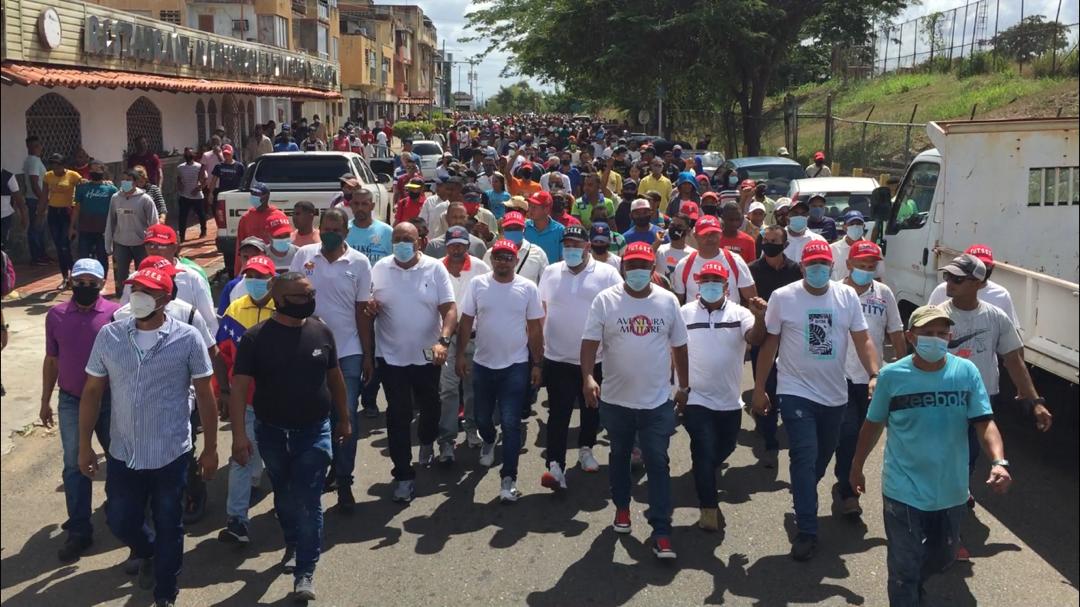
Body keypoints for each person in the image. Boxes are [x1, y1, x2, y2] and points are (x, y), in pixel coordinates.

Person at [849, 305, 1012, 607]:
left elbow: (984, 421)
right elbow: (872, 425)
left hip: (950, 491)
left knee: (943, 557)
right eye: (928, 334)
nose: (936, 339)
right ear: (911, 337)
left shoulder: (965, 372)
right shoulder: (892, 376)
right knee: (903, 568)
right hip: (903, 491)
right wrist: (856, 466)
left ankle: (914, 586)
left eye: (942, 334)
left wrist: (999, 462)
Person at [79, 267, 217, 607]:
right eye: (135, 288)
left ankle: (165, 592)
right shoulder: (109, 337)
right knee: (120, 519)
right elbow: (93, 391)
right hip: (124, 452)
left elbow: (204, 394)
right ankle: (147, 550)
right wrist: (84, 446)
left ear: (165, 298)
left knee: (170, 523)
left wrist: (211, 448)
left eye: (147, 290)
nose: (138, 294)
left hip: (171, 452)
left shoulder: (187, 338)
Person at [751, 240, 881, 561]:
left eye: (824, 265)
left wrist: (876, 373)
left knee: (819, 459)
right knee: (804, 455)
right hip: (795, 391)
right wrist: (758, 388)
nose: (819, 270)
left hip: (834, 394)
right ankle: (807, 529)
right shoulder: (784, 298)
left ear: (832, 267)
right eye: (812, 265)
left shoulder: (846, 296)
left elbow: (862, 338)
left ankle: (804, 488)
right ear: (804, 267)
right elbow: (769, 346)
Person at [230, 272, 351, 602]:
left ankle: (305, 571)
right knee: (283, 493)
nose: (309, 301)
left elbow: (336, 378)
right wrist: (238, 436)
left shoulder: (321, 331)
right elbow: (239, 388)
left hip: (314, 431)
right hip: (271, 433)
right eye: (301, 296)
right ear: (279, 300)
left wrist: (344, 419)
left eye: (311, 294)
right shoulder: (255, 339)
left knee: (310, 500)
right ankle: (293, 542)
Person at [582, 241, 689, 559]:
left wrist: (684, 387)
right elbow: (589, 342)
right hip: (616, 401)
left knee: (658, 462)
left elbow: (680, 346)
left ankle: (661, 530)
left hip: (656, 402)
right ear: (623, 268)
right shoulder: (605, 300)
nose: (638, 271)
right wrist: (587, 377)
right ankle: (622, 508)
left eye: (644, 265)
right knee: (619, 457)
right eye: (632, 265)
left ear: (653, 269)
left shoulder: (668, 301)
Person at [936, 254, 1052, 514]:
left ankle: (956, 494)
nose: (949, 283)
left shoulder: (996, 317)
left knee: (969, 455)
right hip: (943, 398)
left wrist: (1035, 401)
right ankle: (948, 509)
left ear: (978, 283)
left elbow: (1013, 360)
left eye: (957, 278)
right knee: (947, 455)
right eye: (947, 277)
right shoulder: (936, 317)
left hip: (981, 398)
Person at [289, 207, 375, 510]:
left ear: (346, 233)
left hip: (347, 351)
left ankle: (344, 480)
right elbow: (291, 298)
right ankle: (317, 474)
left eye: (335, 230)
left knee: (346, 415)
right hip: (307, 351)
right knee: (313, 416)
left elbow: (362, 311)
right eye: (325, 227)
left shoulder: (360, 263)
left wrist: (367, 354)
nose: (329, 234)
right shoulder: (304, 256)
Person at [368, 222, 457, 502]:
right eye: (397, 239)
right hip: (391, 357)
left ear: (420, 242)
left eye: (407, 239)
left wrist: (443, 341)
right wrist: (370, 308)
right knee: (398, 414)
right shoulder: (380, 268)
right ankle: (403, 475)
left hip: (427, 357)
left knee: (431, 408)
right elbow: (368, 305)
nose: (402, 244)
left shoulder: (434, 268)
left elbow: (449, 309)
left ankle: (427, 439)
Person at [40, 258, 120, 562]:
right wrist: (46, 399)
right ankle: (79, 530)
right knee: (75, 464)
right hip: (72, 400)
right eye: (80, 281)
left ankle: (121, 513)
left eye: (92, 283)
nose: (85, 287)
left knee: (119, 457)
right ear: (71, 280)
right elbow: (52, 360)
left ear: (102, 284)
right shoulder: (56, 315)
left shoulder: (115, 314)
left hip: (110, 399)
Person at [456, 239, 545, 503]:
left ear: (516, 260)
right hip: (483, 364)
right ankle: (489, 439)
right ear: (492, 258)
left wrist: (537, 363)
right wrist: (460, 354)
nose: (503, 261)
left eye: (508, 257)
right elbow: (466, 321)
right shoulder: (478, 284)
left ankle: (509, 478)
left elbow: (536, 330)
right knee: (482, 417)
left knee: (511, 422)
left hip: (515, 366)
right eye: (498, 256)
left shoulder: (528, 288)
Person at [680, 261, 767, 531]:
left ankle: (704, 470)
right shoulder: (683, 313)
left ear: (726, 286)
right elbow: (673, 350)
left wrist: (761, 317)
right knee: (703, 448)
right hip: (695, 398)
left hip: (729, 399)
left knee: (725, 447)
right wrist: (676, 389)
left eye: (715, 281)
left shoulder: (741, 313)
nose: (710, 285)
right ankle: (708, 507)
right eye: (705, 280)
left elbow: (755, 338)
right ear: (697, 284)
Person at [538, 225, 622, 491]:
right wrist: (537, 353)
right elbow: (541, 310)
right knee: (558, 413)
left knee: (591, 409)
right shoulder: (551, 271)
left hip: (595, 358)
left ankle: (586, 448)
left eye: (576, 244)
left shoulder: (607, 273)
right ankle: (555, 465)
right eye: (567, 244)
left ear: (588, 246)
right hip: (557, 357)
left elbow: (618, 309)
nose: (571, 249)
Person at [831, 241, 906, 517]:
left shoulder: (883, 293)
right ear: (848, 264)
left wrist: (903, 368)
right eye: (860, 265)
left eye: (870, 267)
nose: (865, 270)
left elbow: (896, 331)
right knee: (849, 433)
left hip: (873, 378)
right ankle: (847, 488)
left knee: (867, 434)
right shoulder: (835, 292)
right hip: (839, 376)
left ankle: (850, 474)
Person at [214, 256, 276, 545]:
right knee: (241, 457)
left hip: (280, 403)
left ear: (272, 279)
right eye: (249, 276)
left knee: (280, 461)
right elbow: (221, 355)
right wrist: (223, 392)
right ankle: (237, 520)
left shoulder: (286, 310)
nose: (255, 281)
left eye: (261, 276)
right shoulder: (235, 311)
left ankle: (285, 508)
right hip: (247, 403)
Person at [747, 225, 803, 466]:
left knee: (786, 384)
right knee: (765, 383)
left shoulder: (795, 270)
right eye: (765, 240)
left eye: (774, 241)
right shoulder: (752, 271)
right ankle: (768, 434)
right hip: (764, 335)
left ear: (785, 245)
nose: (768, 244)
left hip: (791, 337)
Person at [438, 226, 490, 455]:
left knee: (471, 390)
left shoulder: (481, 268)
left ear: (469, 245)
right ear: (446, 246)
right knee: (448, 390)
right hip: (446, 339)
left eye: (461, 244)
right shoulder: (436, 267)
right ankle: (447, 439)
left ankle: (471, 428)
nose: (456, 249)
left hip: (474, 338)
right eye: (452, 245)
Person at [672, 216, 755, 306]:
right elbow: (678, 302)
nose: (710, 238)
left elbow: (752, 299)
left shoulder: (735, 260)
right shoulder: (684, 265)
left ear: (721, 234)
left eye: (714, 233)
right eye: (705, 234)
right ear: (695, 236)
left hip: (730, 319)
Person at [926, 245, 1018, 325]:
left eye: (985, 265)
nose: (951, 283)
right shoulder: (943, 289)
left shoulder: (1001, 295)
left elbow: (1011, 332)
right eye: (947, 276)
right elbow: (926, 322)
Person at [106, 168, 159, 293]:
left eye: (128, 180)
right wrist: (108, 244)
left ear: (135, 182)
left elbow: (154, 222)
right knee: (121, 276)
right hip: (121, 243)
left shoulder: (145, 199)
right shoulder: (115, 198)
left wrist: (153, 244)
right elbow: (110, 221)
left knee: (143, 274)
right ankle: (122, 299)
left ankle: (143, 296)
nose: (125, 182)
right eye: (123, 180)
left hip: (141, 243)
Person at [71, 162, 117, 277]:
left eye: (98, 171)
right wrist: (72, 226)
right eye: (93, 170)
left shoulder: (111, 189)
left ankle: (102, 278)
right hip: (85, 228)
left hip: (103, 230)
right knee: (83, 256)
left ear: (103, 172)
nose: (95, 173)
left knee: (102, 256)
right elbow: (76, 208)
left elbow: (116, 210)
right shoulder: (82, 188)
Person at [42, 153, 81, 288]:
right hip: (53, 212)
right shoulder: (48, 176)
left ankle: (73, 275)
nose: (55, 167)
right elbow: (44, 194)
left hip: (67, 212)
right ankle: (65, 277)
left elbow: (84, 187)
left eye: (57, 165)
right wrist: (40, 212)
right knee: (59, 246)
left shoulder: (73, 175)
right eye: (52, 164)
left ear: (63, 165)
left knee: (65, 245)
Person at [483, 211, 549, 284]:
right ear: (503, 230)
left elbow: (546, 283)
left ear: (523, 229)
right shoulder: (490, 253)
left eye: (517, 228)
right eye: (509, 229)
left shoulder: (538, 253)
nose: (513, 231)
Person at [234, 181, 278, 276]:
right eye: (252, 193)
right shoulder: (246, 218)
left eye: (257, 194)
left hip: (270, 266)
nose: (253, 196)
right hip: (250, 267)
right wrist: (238, 272)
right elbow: (239, 246)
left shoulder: (277, 216)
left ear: (266, 196)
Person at [829, 210, 884, 280]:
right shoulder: (832, 249)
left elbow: (878, 277)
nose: (855, 226)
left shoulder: (875, 250)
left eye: (859, 224)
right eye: (851, 224)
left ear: (863, 226)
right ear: (844, 227)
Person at [345, 188, 394, 264]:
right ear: (351, 205)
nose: (360, 208)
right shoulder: (343, 230)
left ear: (372, 206)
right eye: (356, 203)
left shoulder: (387, 232)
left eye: (364, 204)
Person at [22, 136, 49, 264]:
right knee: (36, 228)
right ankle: (37, 256)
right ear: (30, 147)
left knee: (40, 228)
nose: (38, 148)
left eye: (38, 145)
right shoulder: (33, 161)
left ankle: (42, 254)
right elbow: (34, 183)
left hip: (35, 199)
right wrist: (42, 200)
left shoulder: (33, 160)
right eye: (35, 146)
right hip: (36, 200)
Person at [175, 148, 207, 243]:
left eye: (190, 154)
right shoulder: (180, 167)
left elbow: (205, 179)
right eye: (186, 154)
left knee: (201, 215)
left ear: (194, 155)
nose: (188, 156)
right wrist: (179, 185)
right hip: (184, 195)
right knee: (182, 217)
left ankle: (203, 231)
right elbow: (178, 179)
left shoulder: (199, 166)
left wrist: (198, 188)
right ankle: (182, 236)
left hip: (197, 196)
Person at [524, 191, 565, 263]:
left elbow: (563, 259)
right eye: (530, 206)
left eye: (534, 207)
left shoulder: (560, 230)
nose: (530, 210)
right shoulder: (524, 227)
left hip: (552, 273)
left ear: (546, 210)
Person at [782, 198, 827, 263]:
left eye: (803, 214)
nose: (799, 217)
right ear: (787, 217)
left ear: (807, 217)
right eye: (795, 214)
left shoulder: (818, 240)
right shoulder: (777, 239)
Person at [656, 210, 697, 278]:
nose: (675, 228)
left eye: (679, 226)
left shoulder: (693, 255)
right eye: (672, 225)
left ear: (687, 231)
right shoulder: (659, 250)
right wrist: (658, 241)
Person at [1, 166, 27, 250]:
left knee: (2, 243)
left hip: (4, 216)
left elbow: (18, 197)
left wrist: (24, 215)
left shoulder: (8, 176)